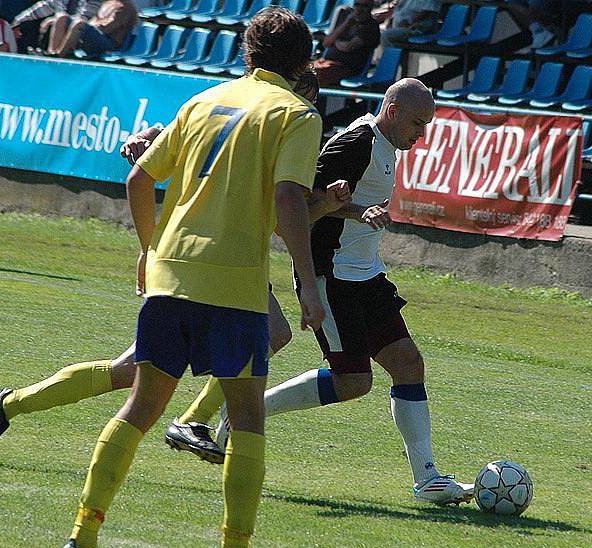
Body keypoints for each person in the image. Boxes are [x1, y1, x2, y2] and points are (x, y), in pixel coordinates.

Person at [0, 11, 341, 548]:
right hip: (234, 283)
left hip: (172, 273)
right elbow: (288, 198)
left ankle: (80, 541)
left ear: (247, 51)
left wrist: (149, 250)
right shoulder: (296, 114)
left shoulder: (204, 100)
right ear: (303, 61)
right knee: (245, 417)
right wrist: (308, 280)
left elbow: (139, 177)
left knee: (140, 406)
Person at [187, 79, 475, 506]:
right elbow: (299, 205)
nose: (422, 132)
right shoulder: (355, 143)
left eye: (427, 124)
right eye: (417, 122)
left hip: (367, 277)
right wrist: (357, 212)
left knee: (409, 363)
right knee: (354, 381)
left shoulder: (387, 146)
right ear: (392, 111)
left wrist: (359, 212)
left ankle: (427, 478)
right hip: (332, 277)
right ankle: (249, 409)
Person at [313, 0, 381, 87]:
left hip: (347, 68)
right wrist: (346, 23)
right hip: (327, 63)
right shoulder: (346, 20)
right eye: (357, 5)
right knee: (301, 69)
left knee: (314, 75)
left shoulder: (371, 26)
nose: (360, 9)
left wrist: (335, 41)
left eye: (365, 6)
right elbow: (326, 43)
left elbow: (347, 47)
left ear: (371, 8)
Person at [48, 0, 137, 57]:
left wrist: (85, 28)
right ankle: (52, 52)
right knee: (61, 17)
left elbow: (107, 28)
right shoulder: (107, 3)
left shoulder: (126, 8)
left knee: (79, 24)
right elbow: (92, 21)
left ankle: (61, 55)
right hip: (95, 33)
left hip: (109, 43)